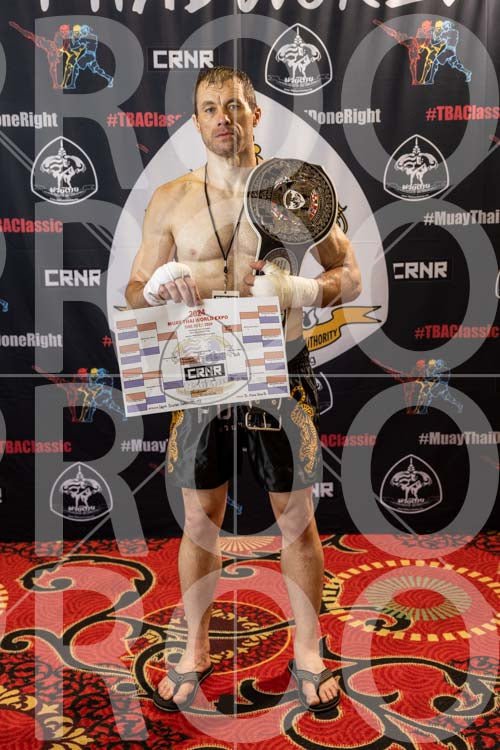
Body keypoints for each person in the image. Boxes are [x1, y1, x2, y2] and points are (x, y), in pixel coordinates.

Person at [125, 66, 362, 713]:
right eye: (209, 108)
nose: (222, 117)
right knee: (199, 520)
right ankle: (197, 647)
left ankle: (309, 648)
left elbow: (349, 274)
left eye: (234, 105)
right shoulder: (171, 198)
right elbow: (134, 291)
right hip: (200, 375)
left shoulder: (296, 192)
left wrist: (302, 288)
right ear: (195, 121)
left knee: (297, 520)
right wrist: (155, 288)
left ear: (256, 114)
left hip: (279, 370)